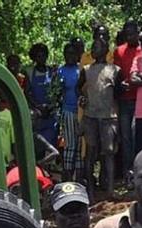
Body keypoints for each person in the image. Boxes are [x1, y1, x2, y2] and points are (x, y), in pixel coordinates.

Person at [82, 39, 120, 195]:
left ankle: (110, 190)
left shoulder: (115, 70)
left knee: (109, 152)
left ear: (105, 50)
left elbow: (118, 93)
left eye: (96, 47)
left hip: (108, 117)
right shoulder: (86, 70)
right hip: (90, 116)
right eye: (92, 47)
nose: (93, 50)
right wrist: (83, 98)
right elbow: (80, 87)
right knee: (90, 153)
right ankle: (90, 190)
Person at [115, 21, 142, 167]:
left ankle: (139, 168)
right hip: (125, 100)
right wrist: (121, 84)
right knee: (125, 137)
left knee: (136, 134)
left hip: (141, 99)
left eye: (133, 34)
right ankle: (127, 171)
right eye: (128, 34)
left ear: (138, 33)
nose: (130, 37)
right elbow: (117, 74)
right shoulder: (119, 51)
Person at [58, 42, 84, 182]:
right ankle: (67, 177)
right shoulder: (60, 71)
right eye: (68, 54)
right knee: (70, 144)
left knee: (80, 144)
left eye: (73, 54)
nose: (70, 57)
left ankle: (79, 179)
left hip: (80, 111)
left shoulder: (81, 69)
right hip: (67, 111)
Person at [25, 43, 58, 147]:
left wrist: (49, 106)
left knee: (50, 147)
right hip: (36, 116)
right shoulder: (29, 72)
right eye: (38, 56)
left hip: (50, 115)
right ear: (34, 58)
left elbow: (56, 92)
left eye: (43, 55)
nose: (41, 59)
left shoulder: (52, 72)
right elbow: (27, 93)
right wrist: (37, 107)